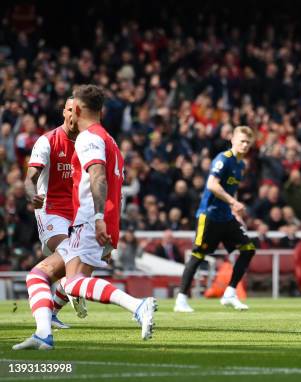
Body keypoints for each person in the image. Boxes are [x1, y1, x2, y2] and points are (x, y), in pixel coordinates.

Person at [15, 85, 157, 350]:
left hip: (89, 220)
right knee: (40, 275)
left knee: (72, 281)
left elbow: (99, 177)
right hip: (84, 218)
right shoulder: (109, 139)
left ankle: (138, 306)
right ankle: (44, 334)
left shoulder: (87, 138)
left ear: (77, 109)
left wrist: (100, 218)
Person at [13, 97, 87, 350]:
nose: (75, 115)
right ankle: (71, 288)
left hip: (76, 210)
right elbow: (29, 177)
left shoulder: (88, 143)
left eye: (79, 111)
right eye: (71, 110)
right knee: (70, 253)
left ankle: (54, 308)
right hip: (50, 209)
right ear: (64, 112)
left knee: (81, 258)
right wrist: (31, 194)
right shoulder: (47, 141)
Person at [174, 126, 257, 313]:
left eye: (248, 142)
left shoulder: (241, 165)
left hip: (226, 217)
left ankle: (230, 293)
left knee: (248, 248)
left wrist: (234, 211)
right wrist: (233, 202)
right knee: (198, 255)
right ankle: (181, 299)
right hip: (209, 215)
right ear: (233, 140)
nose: (244, 145)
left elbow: (231, 189)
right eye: (242, 141)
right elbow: (212, 184)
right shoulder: (223, 159)